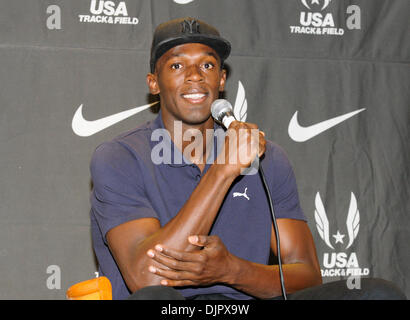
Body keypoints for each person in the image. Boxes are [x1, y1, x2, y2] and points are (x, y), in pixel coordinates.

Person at [89, 17, 406, 300]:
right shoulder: (120, 157)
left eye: (208, 65)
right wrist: (223, 170)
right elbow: (148, 277)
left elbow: (307, 275)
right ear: (154, 83)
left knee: (378, 294)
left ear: (222, 80)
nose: (195, 76)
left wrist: (231, 271)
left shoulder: (268, 157)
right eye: (176, 66)